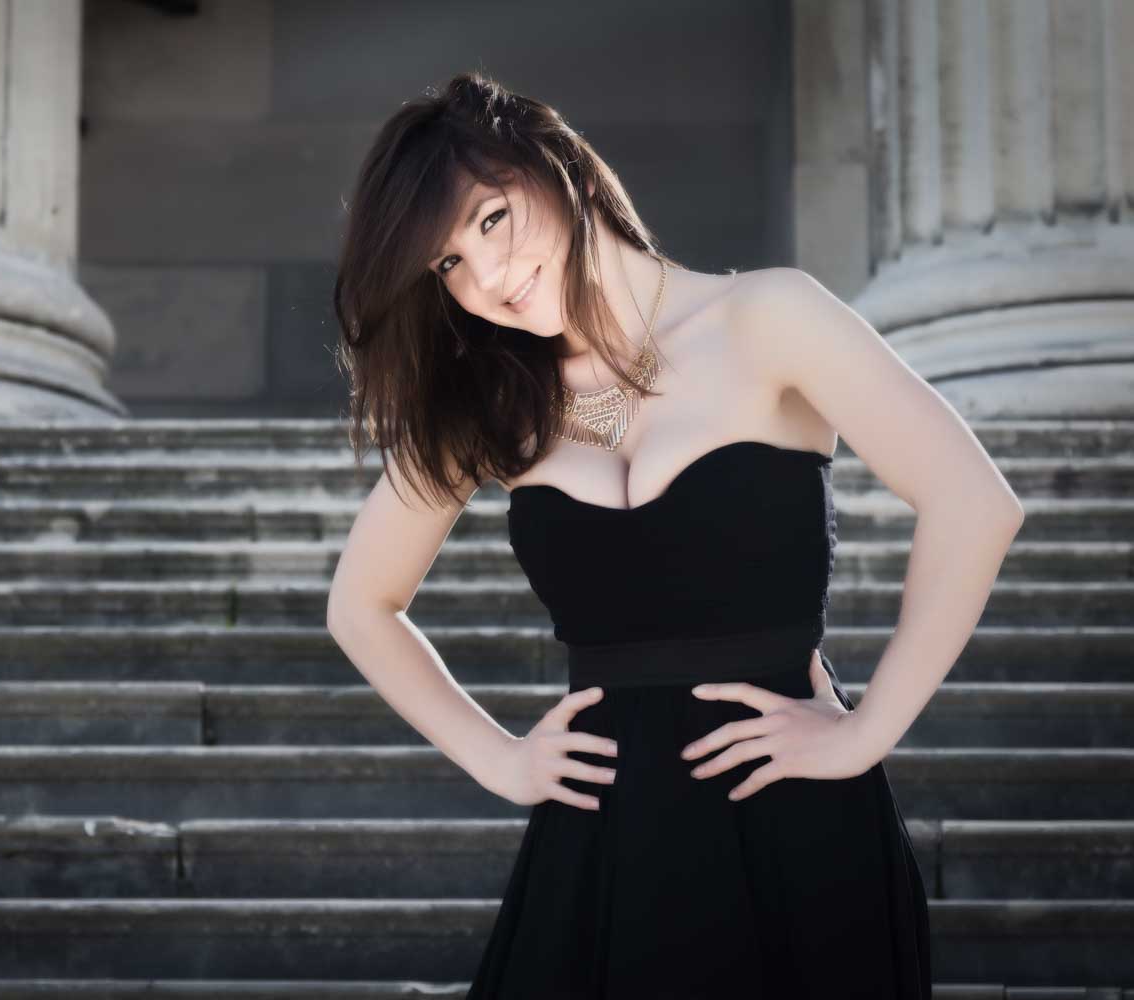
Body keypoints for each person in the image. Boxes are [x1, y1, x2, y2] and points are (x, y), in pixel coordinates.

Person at [325, 72, 1024, 999]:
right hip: (599, 849)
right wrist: (500, 759)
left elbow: (975, 501)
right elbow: (361, 606)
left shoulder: (768, 316)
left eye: (490, 220)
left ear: (554, 164)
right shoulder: (491, 405)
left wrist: (866, 734)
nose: (486, 278)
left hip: (798, 830)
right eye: (447, 264)